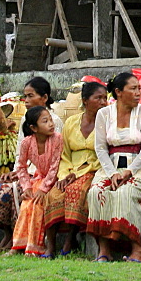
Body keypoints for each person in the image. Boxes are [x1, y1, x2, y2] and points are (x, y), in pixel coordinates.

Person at [86, 72, 141, 263]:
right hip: (110, 166)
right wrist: (112, 173)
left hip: (138, 167)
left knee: (127, 192)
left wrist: (129, 171)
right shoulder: (104, 114)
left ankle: (136, 248)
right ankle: (104, 249)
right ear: (118, 92)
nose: (138, 93)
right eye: (133, 88)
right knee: (97, 192)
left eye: (139, 88)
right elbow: (100, 147)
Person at [0, 77, 63, 253]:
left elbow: (56, 161)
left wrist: (33, 182)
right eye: (25, 96)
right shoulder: (27, 122)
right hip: (28, 174)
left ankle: (30, 242)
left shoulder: (54, 122)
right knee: (1, 187)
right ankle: (11, 236)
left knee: (24, 195)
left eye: (30, 96)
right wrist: (17, 173)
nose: (26, 101)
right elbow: (21, 155)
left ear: (44, 97)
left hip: (46, 176)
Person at [44, 81, 108, 257]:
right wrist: (65, 174)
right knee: (53, 194)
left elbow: (106, 154)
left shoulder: (107, 123)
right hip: (71, 169)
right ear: (86, 101)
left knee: (77, 190)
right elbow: (63, 154)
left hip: (94, 169)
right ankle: (50, 246)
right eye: (99, 98)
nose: (103, 102)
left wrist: (82, 173)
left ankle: (69, 240)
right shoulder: (71, 123)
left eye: (105, 98)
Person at [10, 107, 62, 256]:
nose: (51, 124)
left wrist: (44, 189)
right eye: (45, 121)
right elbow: (21, 166)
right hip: (38, 179)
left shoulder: (57, 139)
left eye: (51, 120)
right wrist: (26, 186)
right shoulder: (27, 142)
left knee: (38, 204)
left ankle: (36, 246)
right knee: (27, 203)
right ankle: (18, 245)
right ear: (33, 128)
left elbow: (55, 166)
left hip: (55, 179)